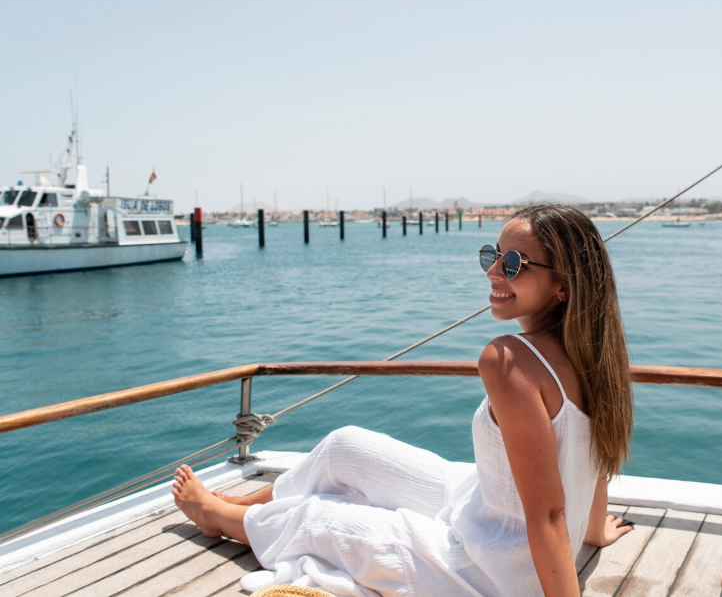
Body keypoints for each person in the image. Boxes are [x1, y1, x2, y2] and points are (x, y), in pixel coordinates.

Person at [172, 204, 634, 597]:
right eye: (492, 255)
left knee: (318, 519)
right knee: (345, 446)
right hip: (486, 510)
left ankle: (217, 516)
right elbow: (594, 459)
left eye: (514, 264)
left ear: (563, 285)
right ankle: (241, 504)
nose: (493, 271)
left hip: (490, 572)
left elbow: (549, 513)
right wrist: (592, 533)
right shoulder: (595, 355)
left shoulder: (508, 360)